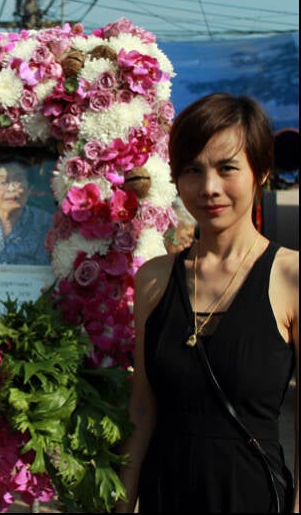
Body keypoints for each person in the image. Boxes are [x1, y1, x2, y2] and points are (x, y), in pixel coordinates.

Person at [117, 93, 299, 513]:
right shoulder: (154, 279)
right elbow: (142, 411)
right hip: (164, 493)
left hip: (250, 495)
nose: (209, 188)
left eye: (227, 168)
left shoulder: (290, 277)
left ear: (261, 172)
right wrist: (122, 505)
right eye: (193, 170)